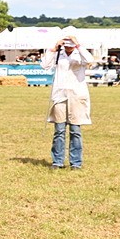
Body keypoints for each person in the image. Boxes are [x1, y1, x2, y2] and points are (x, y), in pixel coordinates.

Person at [41, 29, 92, 170]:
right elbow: (45, 65)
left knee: (75, 130)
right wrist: (53, 49)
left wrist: (78, 45)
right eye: (66, 44)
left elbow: (90, 60)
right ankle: (57, 161)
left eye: (70, 44)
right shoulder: (58, 54)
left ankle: (76, 162)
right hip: (60, 95)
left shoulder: (80, 54)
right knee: (59, 130)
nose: (68, 47)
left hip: (77, 94)